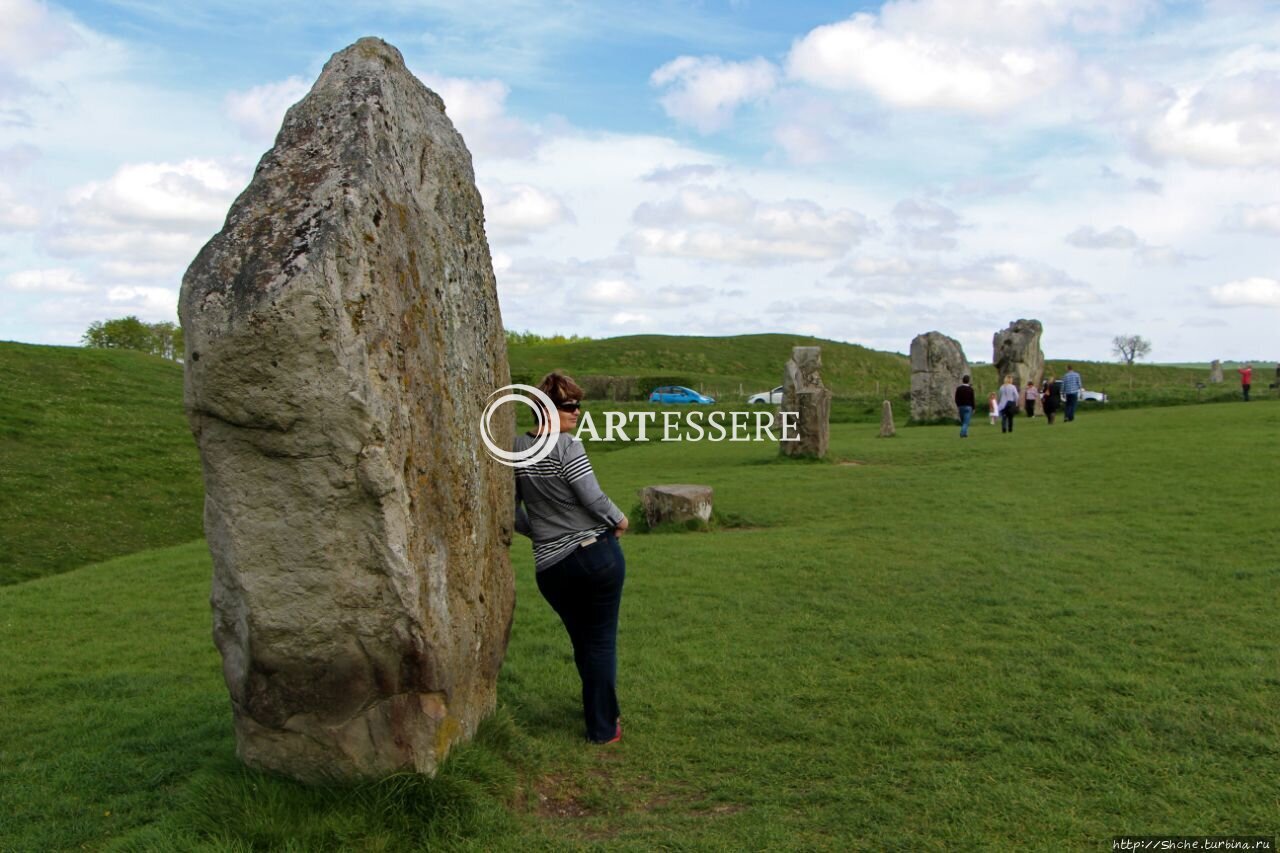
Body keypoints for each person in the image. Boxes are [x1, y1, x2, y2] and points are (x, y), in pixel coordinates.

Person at [513, 372, 629, 745]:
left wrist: (541, 533)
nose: (577, 412)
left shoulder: (516, 450)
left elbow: (510, 512)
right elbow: (591, 497)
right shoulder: (566, 446)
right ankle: (603, 728)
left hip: (551, 570)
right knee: (600, 643)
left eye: (578, 404)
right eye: (569, 405)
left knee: (584, 642)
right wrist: (620, 518)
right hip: (594, 557)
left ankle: (601, 711)